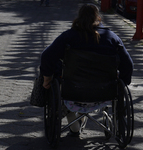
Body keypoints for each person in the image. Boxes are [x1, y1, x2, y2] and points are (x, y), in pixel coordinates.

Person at [40, 4, 133, 136]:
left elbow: (47, 56)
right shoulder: (111, 37)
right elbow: (128, 64)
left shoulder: (68, 37)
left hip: (72, 90)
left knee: (55, 69)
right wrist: (122, 83)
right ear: (98, 18)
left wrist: (46, 79)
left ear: (78, 18)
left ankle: (72, 119)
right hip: (105, 92)